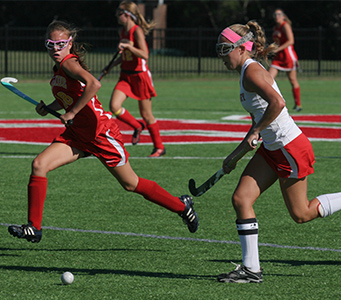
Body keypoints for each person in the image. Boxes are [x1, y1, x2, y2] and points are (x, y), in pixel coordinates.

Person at [214, 21, 341, 283]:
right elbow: (258, 121)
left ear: (242, 48)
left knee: (302, 213)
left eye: (225, 48)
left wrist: (256, 132)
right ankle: (251, 269)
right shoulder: (246, 72)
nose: (221, 54)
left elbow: (278, 103)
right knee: (241, 199)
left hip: (289, 148)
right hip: (272, 149)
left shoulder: (252, 72)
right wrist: (235, 155)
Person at [7, 20, 198, 243]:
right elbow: (70, 96)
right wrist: (49, 107)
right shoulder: (59, 67)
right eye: (51, 44)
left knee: (131, 184)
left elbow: (94, 85)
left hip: (101, 134)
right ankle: (34, 228)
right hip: (78, 135)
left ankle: (182, 206)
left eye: (60, 44)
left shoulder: (69, 64)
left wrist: (73, 112)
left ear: (70, 43)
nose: (55, 49)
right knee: (39, 165)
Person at [101, 0, 165, 157]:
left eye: (119, 13)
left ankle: (159, 147)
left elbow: (144, 54)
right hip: (125, 76)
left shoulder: (137, 31)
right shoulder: (122, 31)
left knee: (147, 114)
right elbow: (126, 56)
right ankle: (137, 126)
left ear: (127, 15)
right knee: (114, 106)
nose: (117, 16)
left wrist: (128, 46)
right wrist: (111, 66)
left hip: (139, 76)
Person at [269, 8, 302, 112]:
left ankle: (298, 104)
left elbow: (291, 41)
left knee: (292, 80)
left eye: (279, 14)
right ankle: (271, 102)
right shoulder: (275, 27)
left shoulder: (285, 25)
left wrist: (278, 49)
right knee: (268, 78)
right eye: (275, 14)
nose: (276, 16)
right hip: (278, 57)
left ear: (283, 16)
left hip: (288, 56)